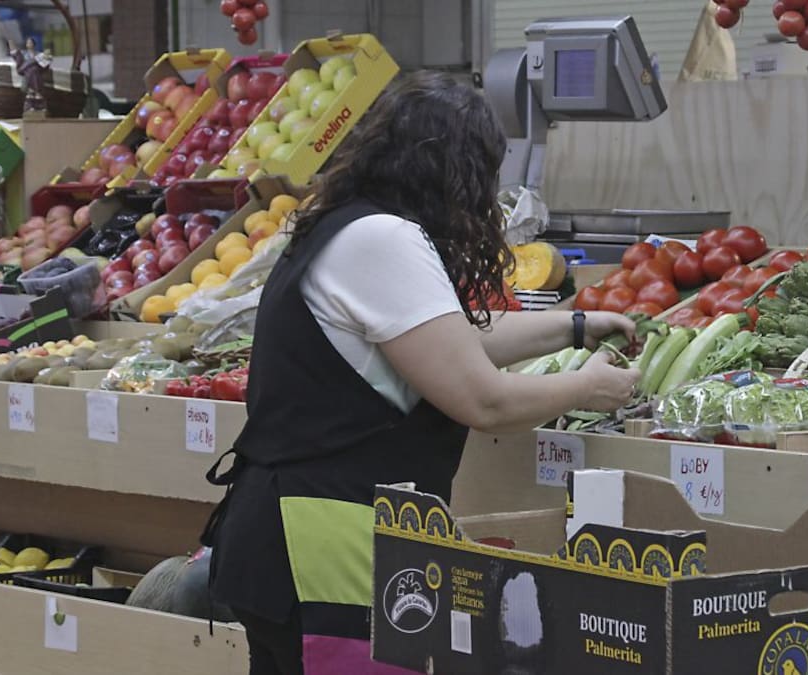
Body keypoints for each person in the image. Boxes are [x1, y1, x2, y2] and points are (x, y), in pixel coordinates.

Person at [201, 71, 642, 675]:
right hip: (323, 544)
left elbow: (447, 344)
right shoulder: (382, 238)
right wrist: (587, 387)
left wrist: (574, 326)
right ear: (456, 172)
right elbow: (483, 401)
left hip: (286, 536)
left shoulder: (347, 224)